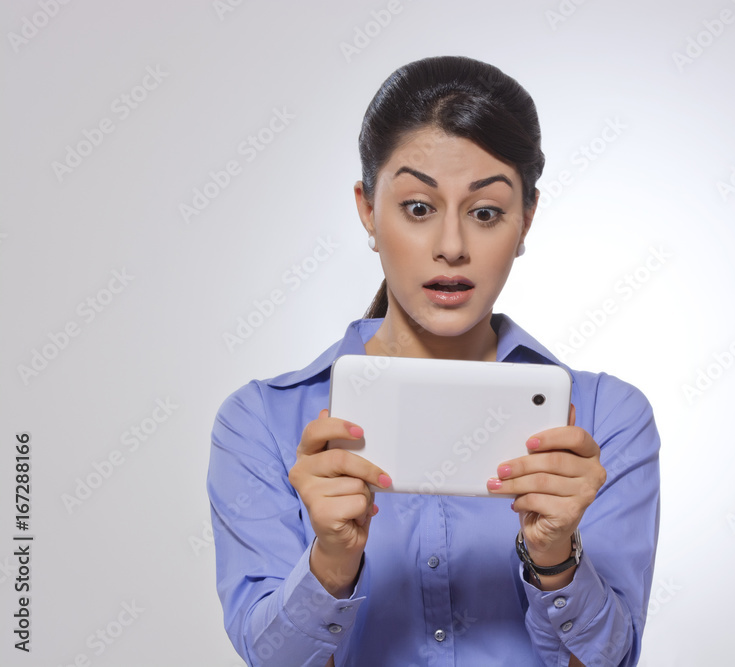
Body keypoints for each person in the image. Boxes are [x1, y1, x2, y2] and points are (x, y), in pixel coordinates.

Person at [208, 55, 661, 666]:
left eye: (485, 212)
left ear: (526, 219)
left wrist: (555, 557)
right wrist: (332, 562)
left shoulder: (606, 421)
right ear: (368, 210)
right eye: (419, 207)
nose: (451, 247)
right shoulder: (261, 422)